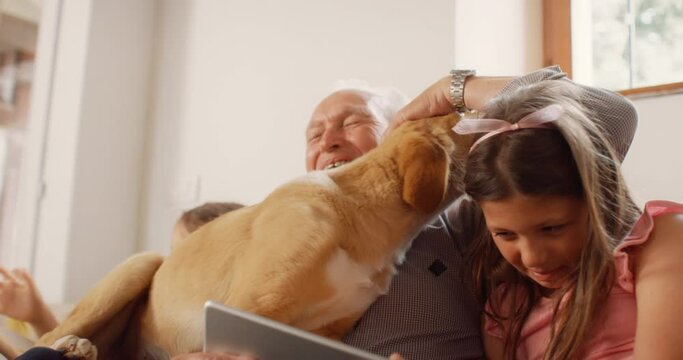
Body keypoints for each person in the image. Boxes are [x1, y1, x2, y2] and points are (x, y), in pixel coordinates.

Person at [175, 66, 638, 360]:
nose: (327, 140)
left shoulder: (463, 220)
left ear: (403, 133)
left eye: (352, 122)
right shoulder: (270, 236)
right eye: (313, 134)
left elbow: (612, 116)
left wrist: (456, 88)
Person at [449, 81, 683, 359]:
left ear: (597, 196)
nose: (534, 257)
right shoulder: (506, 310)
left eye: (552, 229)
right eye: (506, 235)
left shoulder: (657, 242)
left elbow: (617, 110)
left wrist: (453, 86)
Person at [2, 202, 243, 359]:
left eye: (186, 261)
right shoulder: (142, 305)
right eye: (172, 255)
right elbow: (78, 347)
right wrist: (37, 315)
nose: (170, 273)